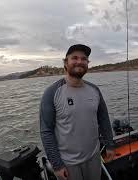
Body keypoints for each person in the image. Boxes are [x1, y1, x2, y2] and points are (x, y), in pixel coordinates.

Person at [40, 44, 115, 180]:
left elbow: (103, 120)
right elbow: (46, 131)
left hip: (94, 158)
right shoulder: (52, 93)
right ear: (65, 62)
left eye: (84, 58)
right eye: (74, 58)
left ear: (87, 63)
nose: (79, 61)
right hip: (68, 164)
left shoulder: (94, 90)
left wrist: (109, 145)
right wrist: (57, 165)